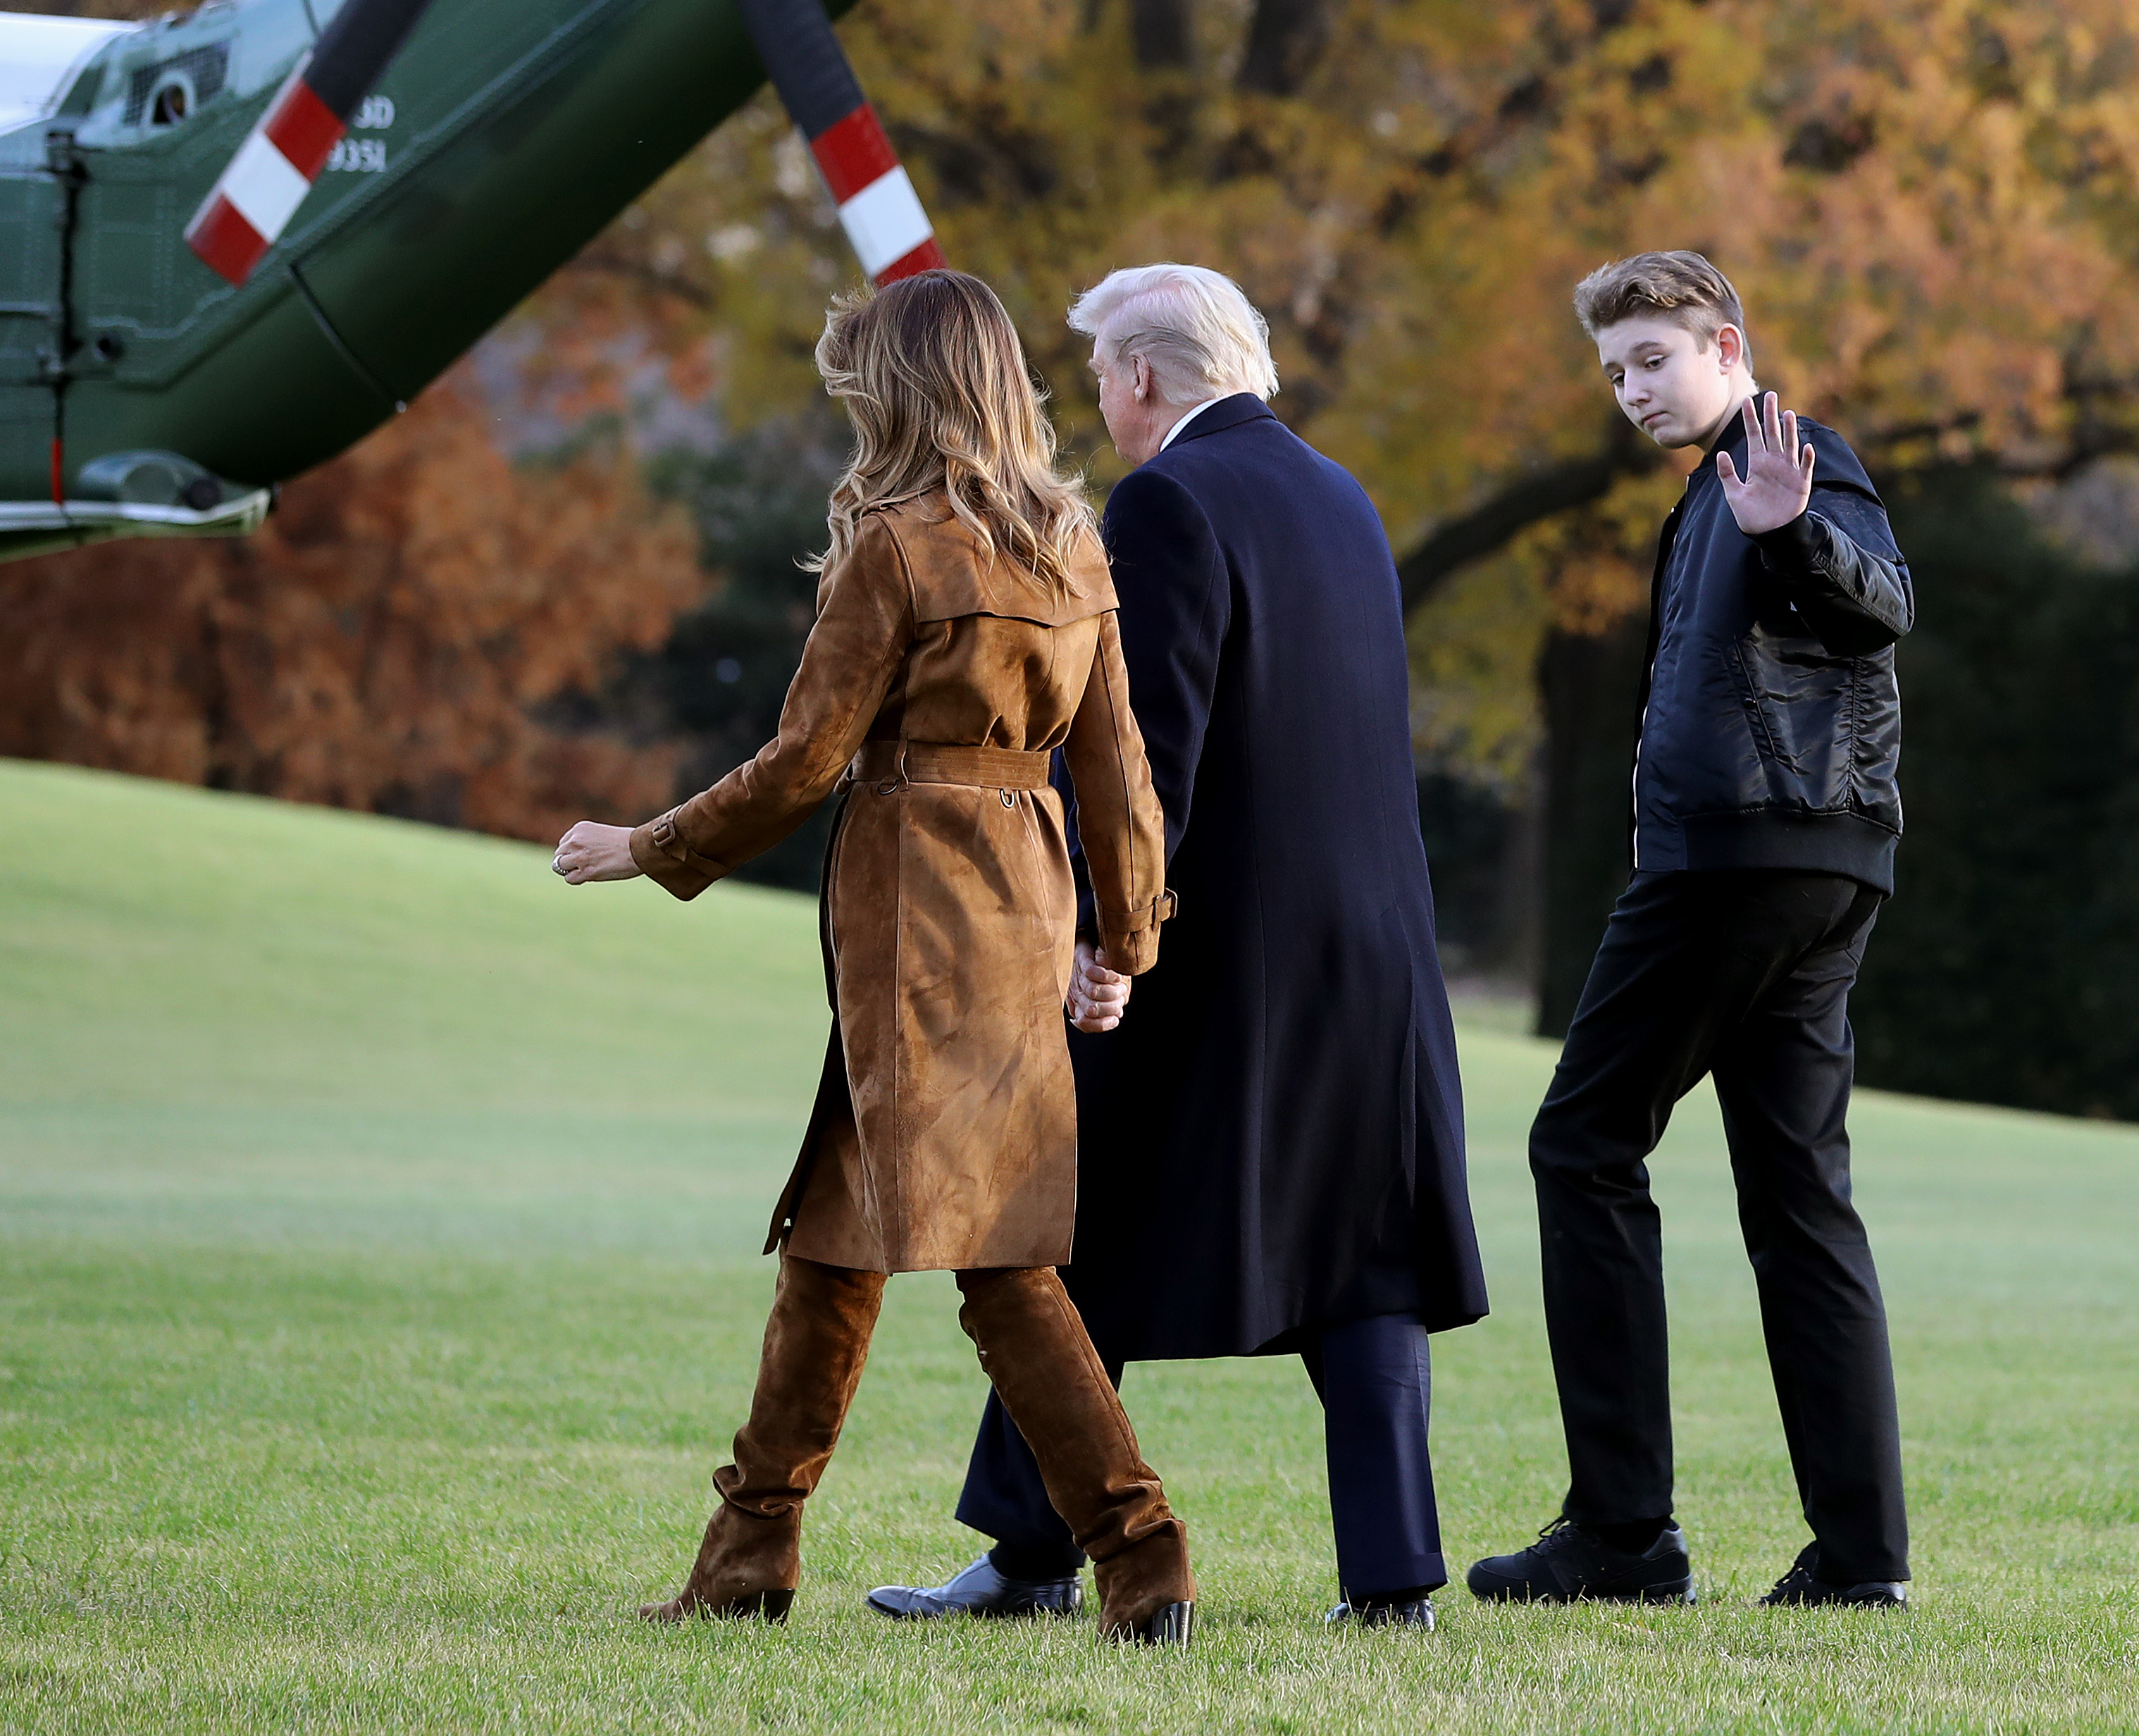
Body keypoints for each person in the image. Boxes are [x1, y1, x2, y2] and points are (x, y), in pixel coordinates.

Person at [550, 269, 1198, 1644]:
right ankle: (747, 1560)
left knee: (1003, 1268)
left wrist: (646, 845)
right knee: (834, 1250)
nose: (849, 409)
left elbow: (804, 761)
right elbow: (1119, 770)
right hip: (1019, 914)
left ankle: (1143, 1557)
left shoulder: (894, 548)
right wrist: (1122, 938)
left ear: (901, 393)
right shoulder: (1073, 545)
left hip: (913, 916)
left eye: (860, 387)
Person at [866, 261, 1488, 1631]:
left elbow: (1151, 755)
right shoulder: (1344, 497)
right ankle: (1392, 1585)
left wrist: (1099, 931)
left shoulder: (1167, 501)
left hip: (1215, 953)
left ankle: (1031, 1556)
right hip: (1374, 954)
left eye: (1101, 379)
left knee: (1081, 1231)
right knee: (1364, 1258)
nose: (1099, 404)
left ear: (1144, 378)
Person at [1468, 250, 1915, 1611]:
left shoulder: (1787, 461)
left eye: (1654, 360)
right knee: (1798, 1199)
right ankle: (1859, 1564)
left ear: (1727, 344)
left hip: (1737, 865)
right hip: (1819, 867)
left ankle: (1622, 1538)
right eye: (1615, 372)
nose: (1633, 391)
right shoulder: (1719, 489)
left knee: (1582, 1143)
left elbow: (1882, 601)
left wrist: (1790, 527)